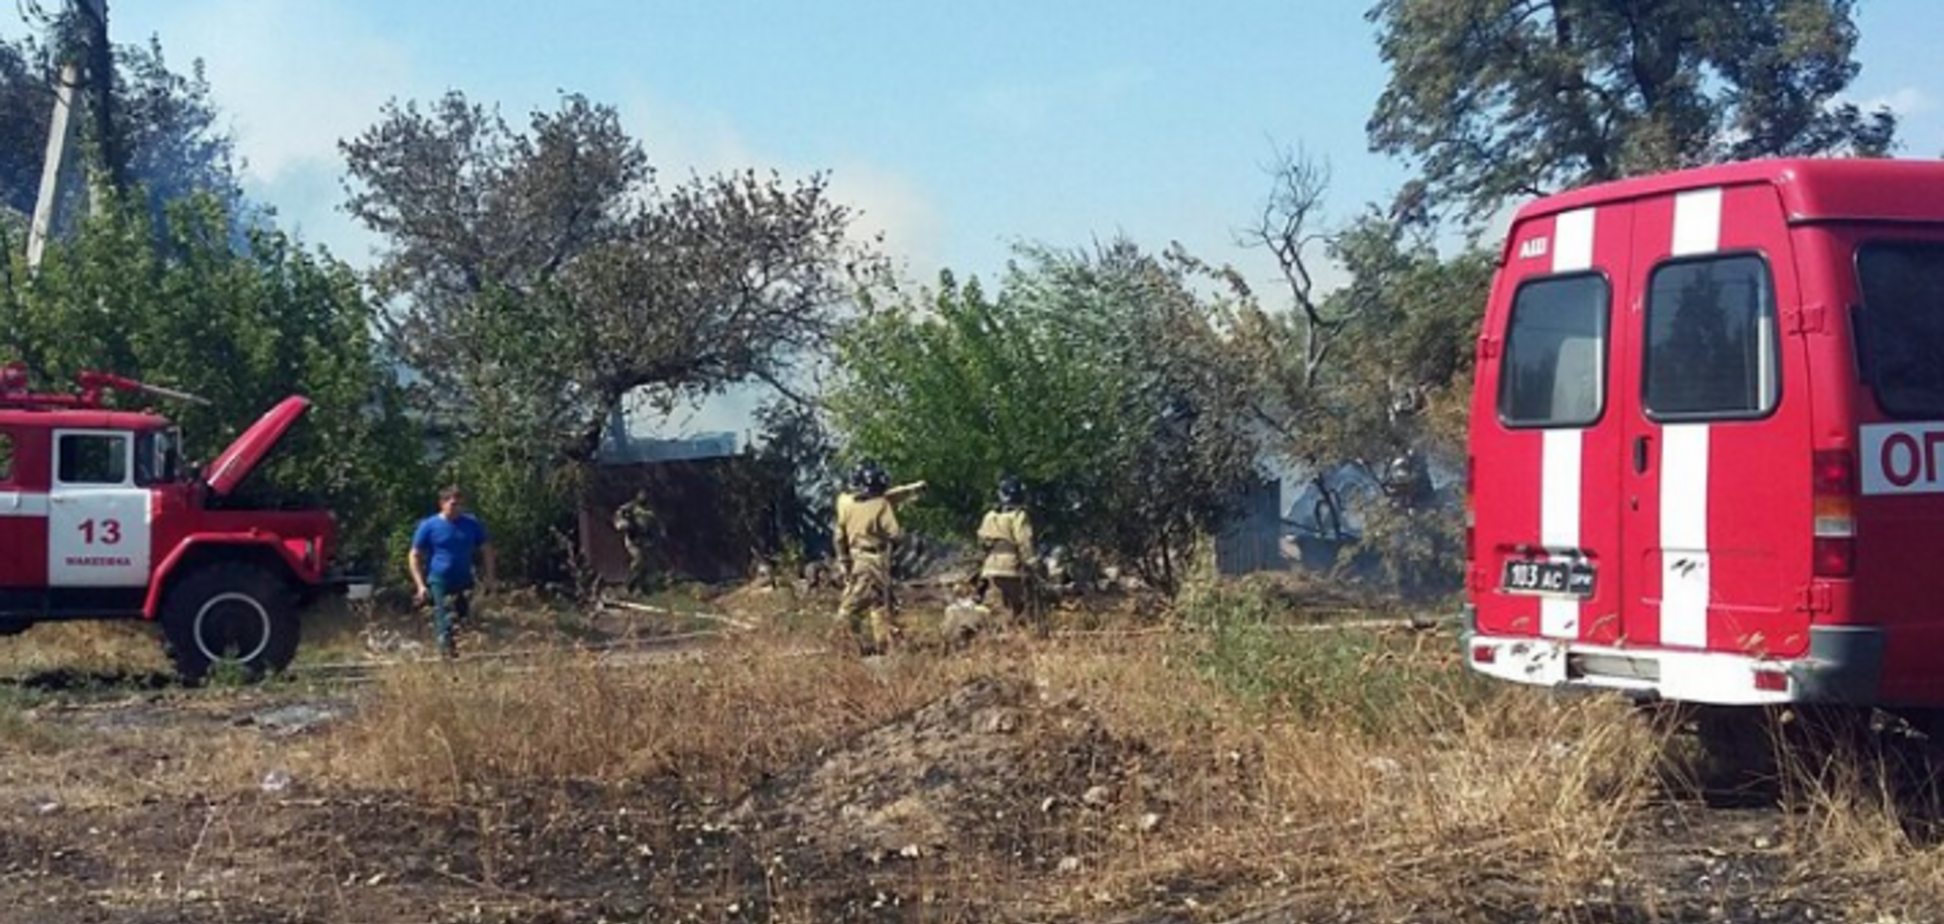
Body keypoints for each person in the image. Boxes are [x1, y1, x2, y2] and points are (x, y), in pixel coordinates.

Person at [409, 486, 496, 659]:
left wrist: (490, 578)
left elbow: (486, 549)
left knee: (462, 618)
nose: (456, 508)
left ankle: (461, 653)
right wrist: (420, 585)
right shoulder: (430, 525)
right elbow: (414, 554)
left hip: (464, 579)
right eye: (452, 504)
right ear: (442, 504)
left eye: (460, 504)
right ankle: (447, 657)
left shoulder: (471, 523)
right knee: (444, 617)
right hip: (439, 579)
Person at [834, 459, 903, 655]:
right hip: (875, 559)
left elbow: (839, 538)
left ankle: (879, 646)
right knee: (855, 605)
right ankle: (846, 645)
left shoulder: (846, 505)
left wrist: (844, 562)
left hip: (856, 558)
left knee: (877, 603)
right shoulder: (881, 504)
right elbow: (896, 535)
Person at [976, 475, 1041, 634]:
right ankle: (1021, 637)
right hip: (1012, 569)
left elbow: (982, 542)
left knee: (997, 609)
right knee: (1020, 606)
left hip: (990, 568)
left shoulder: (989, 516)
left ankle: (998, 638)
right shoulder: (1019, 516)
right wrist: (1033, 565)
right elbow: (1024, 542)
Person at [612, 488, 657, 595]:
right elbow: (618, 515)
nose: (644, 497)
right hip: (633, 539)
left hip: (645, 540)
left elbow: (654, 524)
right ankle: (627, 585)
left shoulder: (650, 510)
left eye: (645, 495)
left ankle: (642, 588)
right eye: (642, 495)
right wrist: (621, 524)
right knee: (638, 560)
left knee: (645, 566)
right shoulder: (631, 506)